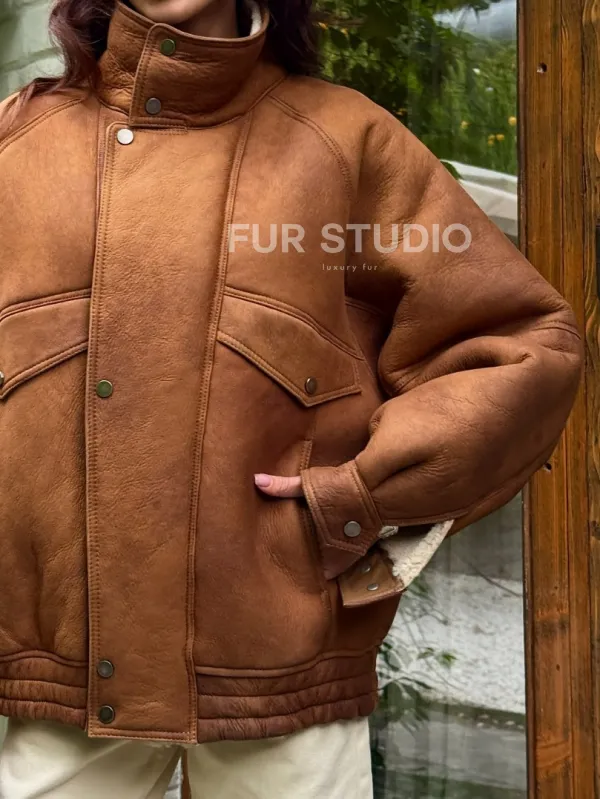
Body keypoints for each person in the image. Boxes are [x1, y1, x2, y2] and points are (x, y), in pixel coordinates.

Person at [0, 0, 582, 795]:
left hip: (284, 671)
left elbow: (518, 344)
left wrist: (358, 500)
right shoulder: (19, 143)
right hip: (59, 676)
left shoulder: (346, 142)